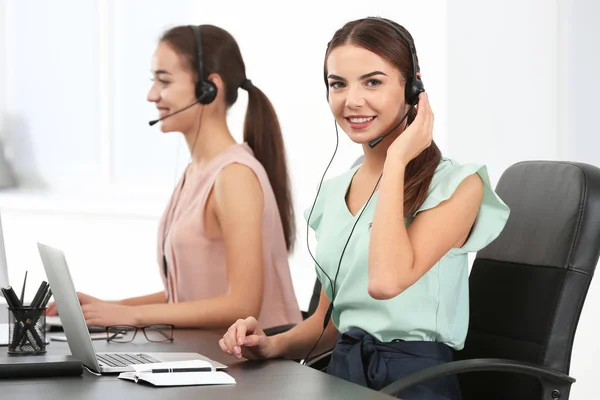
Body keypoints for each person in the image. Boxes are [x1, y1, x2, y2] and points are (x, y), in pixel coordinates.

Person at [218, 17, 510, 400]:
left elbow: (385, 282)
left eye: (372, 81)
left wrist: (397, 161)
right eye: (338, 84)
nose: (351, 100)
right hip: (340, 376)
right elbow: (329, 324)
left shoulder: (457, 185)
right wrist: (270, 345)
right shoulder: (336, 190)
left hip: (415, 385)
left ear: (414, 88)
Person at [46, 24, 302, 330]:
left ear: (209, 88)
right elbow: (188, 297)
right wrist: (105, 308)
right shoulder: (197, 173)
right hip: (207, 359)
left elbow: (242, 306)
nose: (152, 95)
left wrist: (131, 317)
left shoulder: (235, 177)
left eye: (163, 81)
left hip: (251, 370)